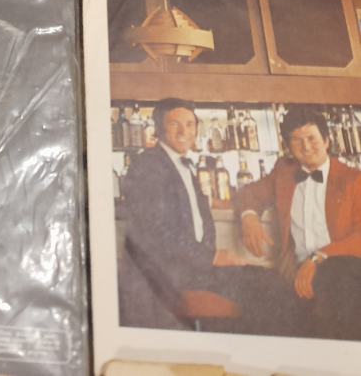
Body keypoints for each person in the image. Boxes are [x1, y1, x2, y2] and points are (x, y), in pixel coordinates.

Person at [120, 98, 294, 333]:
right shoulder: (148, 165)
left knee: (270, 284)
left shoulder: (180, 164)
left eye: (190, 124)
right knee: (268, 288)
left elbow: (186, 204)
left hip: (194, 268)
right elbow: (157, 231)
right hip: (169, 273)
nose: (184, 132)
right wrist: (211, 256)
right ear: (159, 128)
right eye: (175, 124)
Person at [236, 106, 361, 339]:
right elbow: (249, 193)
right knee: (256, 294)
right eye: (297, 141)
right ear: (288, 148)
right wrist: (249, 216)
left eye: (312, 138)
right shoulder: (284, 172)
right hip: (294, 269)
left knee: (335, 290)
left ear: (326, 141)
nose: (306, 147)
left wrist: (318, 258)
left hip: (339, 267)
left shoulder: (354, 179)